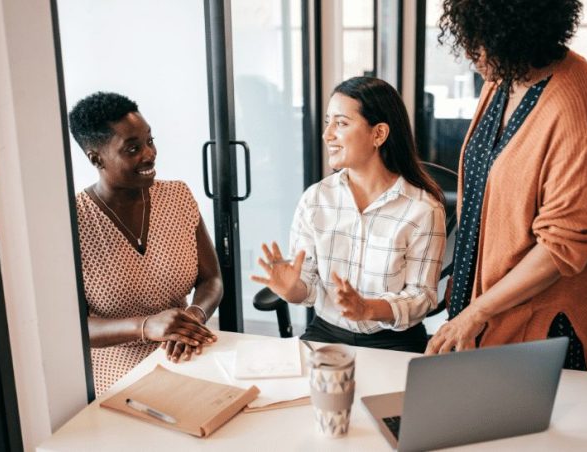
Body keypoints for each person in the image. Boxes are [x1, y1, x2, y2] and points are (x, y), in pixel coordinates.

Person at [425, 0, 587, 383]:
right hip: (483, 312)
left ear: (515, 33)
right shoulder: (505, 79)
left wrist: (476, 312)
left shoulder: (580, 107)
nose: (470, 53)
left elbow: (561, 247)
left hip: (542, 329)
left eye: (480, 41)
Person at [251, 77, 446, 353]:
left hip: (393, 341)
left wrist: (367, 308)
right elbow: (309, 287)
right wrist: (290, 288)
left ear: (378, 134)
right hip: (326, 333)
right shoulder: (315, 199)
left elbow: (421, 297)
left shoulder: (423, 208)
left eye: (341, 123)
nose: (327, 134)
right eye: (328, 121)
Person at [68, 92, 222, 394]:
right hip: (117, 367)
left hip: (185, 347)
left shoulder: (178, 197)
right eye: (133, 148)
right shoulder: (73, 221)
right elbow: (73, 327)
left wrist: (194, 316)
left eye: (150, 141)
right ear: (96, 158)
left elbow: (212, 278)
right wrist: (146, 326)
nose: (149, 154)